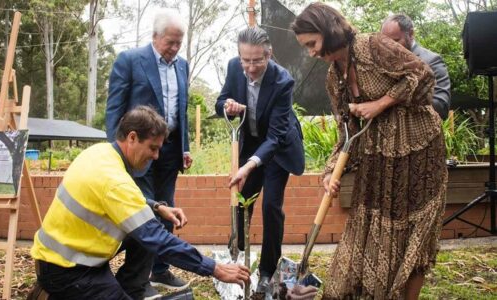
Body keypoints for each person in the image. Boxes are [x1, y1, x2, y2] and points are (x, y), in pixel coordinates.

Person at [292, 3, 447, 300]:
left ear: (328, 30)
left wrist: (382, 103)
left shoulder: (373, 46)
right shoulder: (333, 77)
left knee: (413, 236)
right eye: (306, 46)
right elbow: (346, 133)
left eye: (312, 43)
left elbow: (423, 76)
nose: (311, 52)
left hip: (419, 153)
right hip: (380, 161)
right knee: (370, 238)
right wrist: (329, 173)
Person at [29, 107, 250, 299]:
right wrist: (214, 268)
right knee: (150, 233)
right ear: (132, 138)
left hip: (69, 257)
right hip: (67, 271)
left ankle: (130, 289)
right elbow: (159, 240)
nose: (156, 156)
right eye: (153, 148)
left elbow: (115, 197)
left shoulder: (101, 153)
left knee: (148, 219)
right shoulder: (115, 181)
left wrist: (156, 206)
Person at [105, 9, 192, 299]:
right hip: (137, 149)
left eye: (179, 42)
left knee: (165, 209)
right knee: (144, 212)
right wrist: (116, 152)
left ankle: (160, 268)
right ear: (155, 37)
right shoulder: (130, 61)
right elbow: (115, 108)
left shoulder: (183, 66)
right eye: (170, 42)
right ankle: (136, 279)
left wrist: (185, 146)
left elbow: (182, 109)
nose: (175, 48)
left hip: (169, 152)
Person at [215, 27, 305, 294]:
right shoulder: (234, 68)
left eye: (257, 60)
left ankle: (266, 272)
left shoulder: (282, 81)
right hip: (251, 142)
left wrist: (250, 164)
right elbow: (220, 102)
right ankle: (239, 260)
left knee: (271, 207)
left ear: (269, 54)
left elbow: (276, 135)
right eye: (246, 60)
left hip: (278, 149)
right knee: (242, 202)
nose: (251, 67)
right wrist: (227, 106)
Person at [381, 13, 452, 120]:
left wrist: (389, 101)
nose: (389, 47)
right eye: (385, 41)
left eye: (396, 41)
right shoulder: (382, 62)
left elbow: (441, 107)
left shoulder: (431, 61)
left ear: (411, 34)